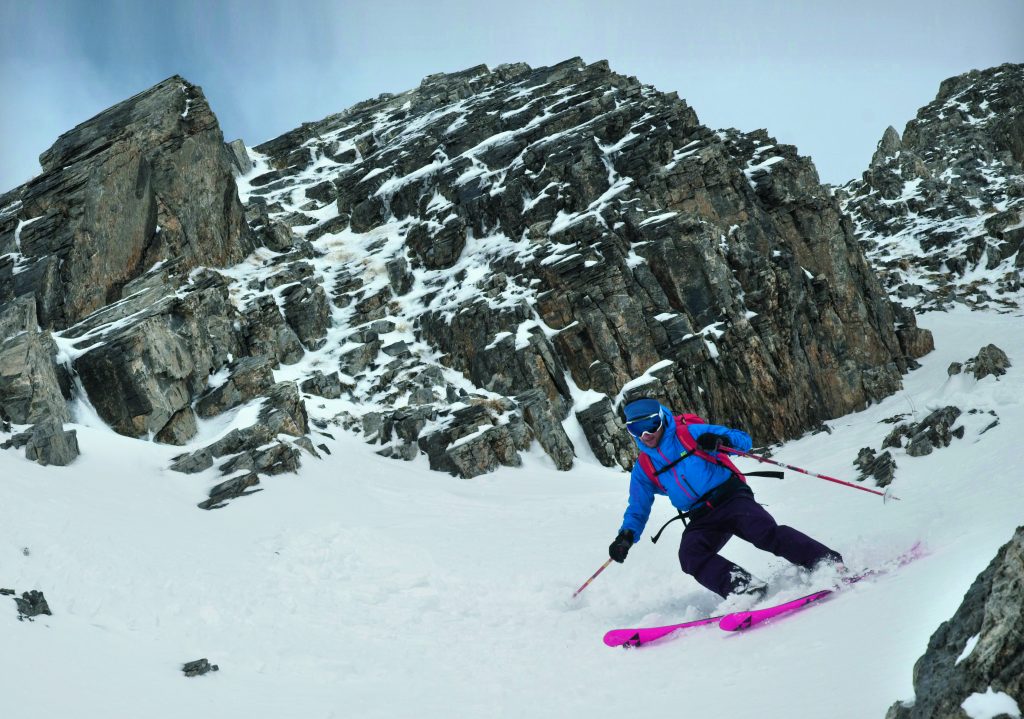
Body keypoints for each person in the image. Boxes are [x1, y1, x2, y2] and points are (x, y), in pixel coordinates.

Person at [609, 397, 843, 599]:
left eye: (651, 425)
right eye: (636, 429)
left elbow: (743, 440)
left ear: (661, 417)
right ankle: (744, 588)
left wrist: (720, 442)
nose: (646, 434)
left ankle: (825, 562)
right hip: (701, 516)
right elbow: (638, 506)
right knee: (691, 555)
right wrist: (626, 536)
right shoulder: (644, 465)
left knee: (763, 532)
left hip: (731, 497)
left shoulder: (688, 433)